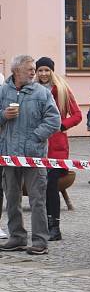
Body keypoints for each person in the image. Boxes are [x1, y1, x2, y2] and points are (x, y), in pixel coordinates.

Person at [0, 54, 60, 255]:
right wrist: (3, 115)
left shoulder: (42, 93)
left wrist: (34, 138)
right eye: (29, 69)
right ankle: (16, 237)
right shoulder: (3, 91)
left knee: (37, 199)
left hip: (34, 154)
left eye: (34, 69)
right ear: (16, 71)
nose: (34, 72)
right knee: (12, 197)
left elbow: (53, 120)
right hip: (8, 154)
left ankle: (40, 240)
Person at [34, 57, 82, 241]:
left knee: (50, 185)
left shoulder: (62, 90)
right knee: (40, 186)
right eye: (40, 70)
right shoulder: (32, 90)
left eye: (47, 70)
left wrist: (60, 126)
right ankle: (44, 225)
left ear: (52, 71)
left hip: (57, 147)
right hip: (37, 145)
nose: (44, 74)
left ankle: (55, 227)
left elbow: (77, 115)